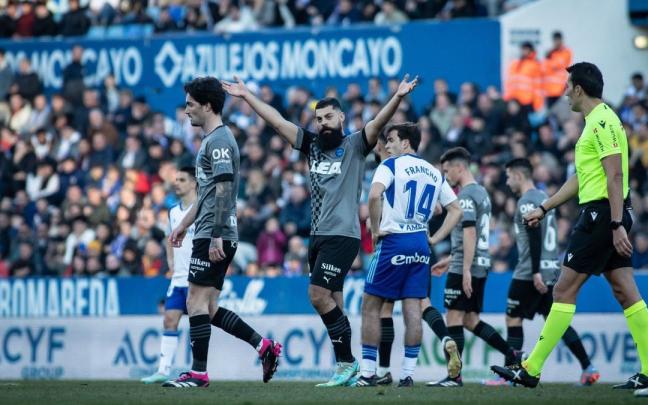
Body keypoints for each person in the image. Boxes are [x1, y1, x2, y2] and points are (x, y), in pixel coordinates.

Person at [222, 73, 419, 387]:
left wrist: (397, 96)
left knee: (317, 295)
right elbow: (276, 121)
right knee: (335, 303)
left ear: (341, 117)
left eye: (329, 117)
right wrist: (246, 96)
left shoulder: (354, 144)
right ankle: (350, 369)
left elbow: (378, 123)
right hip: (317, 236)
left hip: (343, 235)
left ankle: (348, 362)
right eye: (318, 118)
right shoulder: (311, 145)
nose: (323, 123)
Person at [491, 62, 648, 392]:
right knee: (625, 291)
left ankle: (531, 368)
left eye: (566, 87)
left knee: (562, 291)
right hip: (607, 212)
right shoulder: (595, 122)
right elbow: (581, 178)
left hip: (603, 215)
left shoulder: (602, 121)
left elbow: (616, 176)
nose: (563, 93)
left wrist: (617, 223)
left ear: (579, 89)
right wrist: (546, 207)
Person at [163, 77, 281, 388]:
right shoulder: (211, 140)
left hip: (215, 233)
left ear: (207, 105)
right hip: (209, 230)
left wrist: (215, 234)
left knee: (195, 304)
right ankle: (264, 347)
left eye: (190, 104)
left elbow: (225, 189)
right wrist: (183, 225)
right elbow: (205, 194)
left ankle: (198, 373)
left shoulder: (218, 141)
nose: (186, 110)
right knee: (209, 307)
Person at [353, 123, 462, 387]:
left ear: (405, 143)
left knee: (371, 305)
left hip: (393, 242)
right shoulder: (434, 172)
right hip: (420, 244)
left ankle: (368, 373)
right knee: (414, 308)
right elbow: (455, 209)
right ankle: (407, 375)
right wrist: (434, 238)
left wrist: (376, 229)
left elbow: (374, 196)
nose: (387, 146)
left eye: (391, 140)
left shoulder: (389, 166)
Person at [484, 158, 598, 386]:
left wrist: (535, 270)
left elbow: (534, 235)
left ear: (518, 175)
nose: (507, 182)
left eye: (508, 177)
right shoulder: (544, 199)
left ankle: (511, 372)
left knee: (513, 318)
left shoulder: (527, 201)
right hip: (550, 270)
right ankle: (588, 367)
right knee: (555, 321)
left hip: (530, 271)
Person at [427, 147, 521, 388]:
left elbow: (469, 231)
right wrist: (451, 261)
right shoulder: (481, 192)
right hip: (477, 262)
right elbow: (476, 236)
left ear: (460, 167)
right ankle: (511, 355)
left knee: (454, 318)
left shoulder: (466, 195)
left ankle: (454, 376)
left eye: (447, 171)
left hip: (466, 266)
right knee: (470, 320)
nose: (446, 176)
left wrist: (463, 268)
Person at [141, 166, 197, 384]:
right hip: (179, 277)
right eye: (176, 180)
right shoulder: (173, 211)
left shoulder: (202, 208)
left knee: (197, 324)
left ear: (193, 183)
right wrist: (171, 260)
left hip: (198, 278)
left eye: (182, 179)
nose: (177, 183)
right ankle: (163, 370)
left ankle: (197, 369)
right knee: (169, 318)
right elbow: (168, 237)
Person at [542, 31, 572, 108]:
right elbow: (544, 68)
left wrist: (549, 61)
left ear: (562, 40)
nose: (557, 42)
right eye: (555, 40)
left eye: (558, 40)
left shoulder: (566, 52)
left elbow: (558, 64)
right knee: (551, 114)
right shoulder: (550, 53)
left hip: (560, 90)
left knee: (560, 112)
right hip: (549, 90)